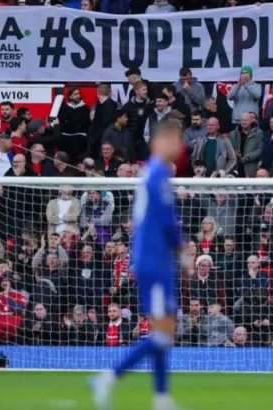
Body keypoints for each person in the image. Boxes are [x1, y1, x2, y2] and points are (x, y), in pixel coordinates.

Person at [91, 122, 188, 410]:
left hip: (159, 260)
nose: (179, 146)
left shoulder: (156, 174)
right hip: (154, 262)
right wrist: (182, 251)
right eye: (174, 139)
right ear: (159, 142)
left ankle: (161, 397)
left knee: (165, 333)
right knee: (161, 333)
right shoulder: (156, 173)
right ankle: (109, 377)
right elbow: (166, 219)